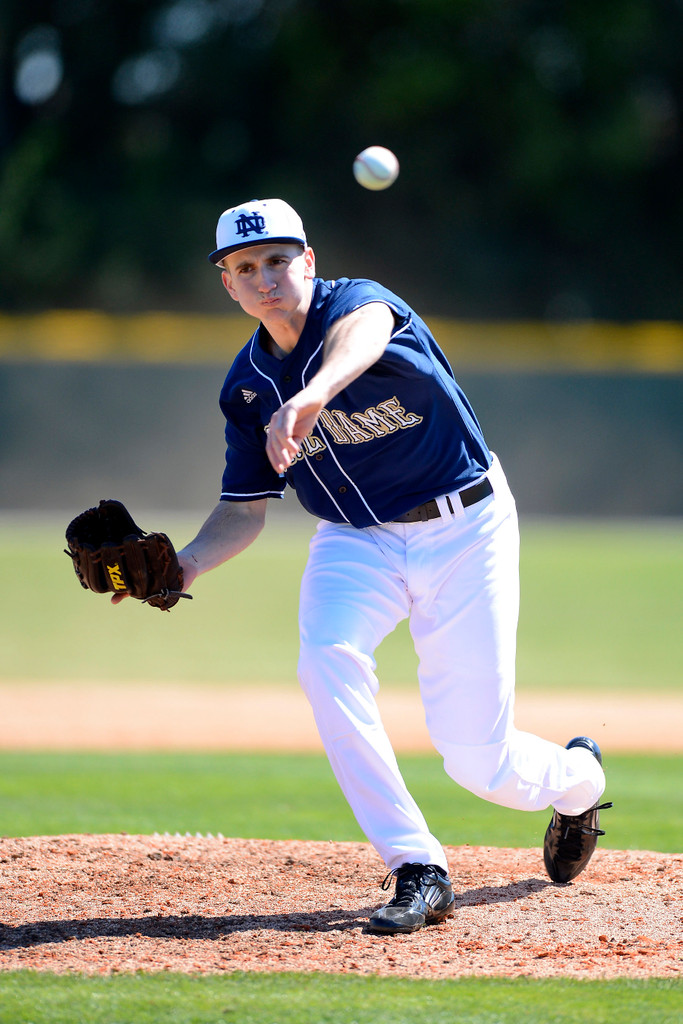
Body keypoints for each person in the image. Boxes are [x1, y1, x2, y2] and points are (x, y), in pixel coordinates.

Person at [166, 198, 612, 934]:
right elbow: (242, 511)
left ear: (308, 261)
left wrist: (311, 395)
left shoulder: (363, 305)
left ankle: (577, 782)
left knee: (479, 761)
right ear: (228, 286)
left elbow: (362, 338)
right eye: (245, 268)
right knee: (326, 659)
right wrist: (181, 568)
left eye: (278, 260)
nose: (264, 277)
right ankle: (417, 866)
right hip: (354, 541)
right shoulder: (246, 388)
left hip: (464, 525)